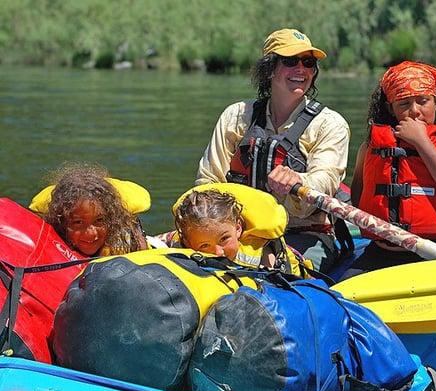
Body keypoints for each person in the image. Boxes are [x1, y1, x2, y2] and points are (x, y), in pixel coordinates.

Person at [195, 28, 351, 273]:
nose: (301, 70)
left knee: (269, 270)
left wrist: (298, 180)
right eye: (290, 61)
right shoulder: (236, 116)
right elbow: (207, 182)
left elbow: (325, 180)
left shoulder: (330, 124)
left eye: (308, 62)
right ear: (269, 69)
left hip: (303, 233)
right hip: (238, 233)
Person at [345, 61, 436, 277]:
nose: (415, 111)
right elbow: (359, 199)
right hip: (382, 252)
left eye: (423, 101)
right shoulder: (372, 145)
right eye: (404, 104)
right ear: (390, 109)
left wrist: (422, 142)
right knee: (337, 299)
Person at [172, 183, 312, 276]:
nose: (218, 252)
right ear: (188, 243)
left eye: (224, 239)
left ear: (238, 228)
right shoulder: (183, 240)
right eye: (204, 245)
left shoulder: (264, 254)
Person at [29, 162, 149, 257]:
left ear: (111, 218)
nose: (91, 233)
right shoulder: (52, 236)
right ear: (61, 222)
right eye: (78, 222)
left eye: (100, 220)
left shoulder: (125, 240)